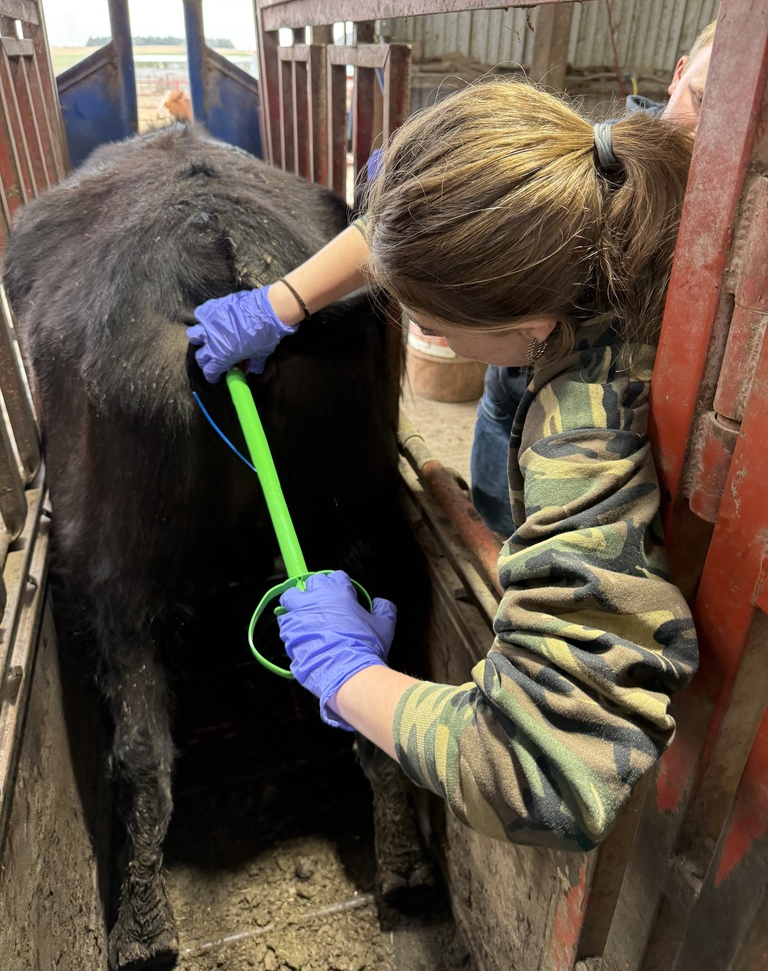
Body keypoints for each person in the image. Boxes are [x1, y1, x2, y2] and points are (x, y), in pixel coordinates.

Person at [187, 79, 698, 849]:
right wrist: (283, 302)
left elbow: (545, 771)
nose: (431, 338)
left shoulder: (589, 429)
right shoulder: (585, 185)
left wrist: (347, 677)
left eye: (432, 325)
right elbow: (429, 218)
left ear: (531, 326)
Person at [471, 20, 716, 536]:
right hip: (516, 388)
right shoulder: (593, 157)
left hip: (614, 431)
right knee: (497, 499)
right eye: (701, 98)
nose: (713, 140)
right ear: (677, 74)